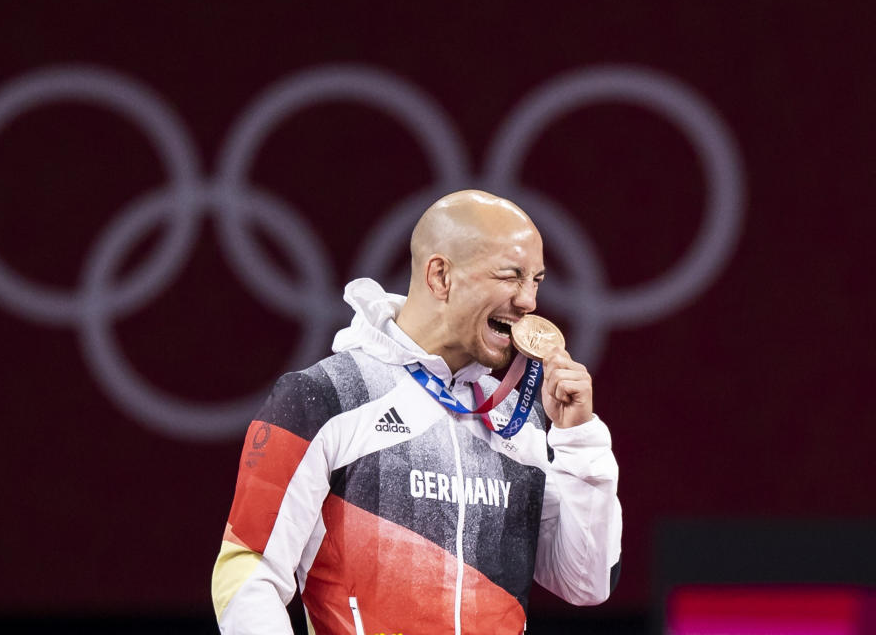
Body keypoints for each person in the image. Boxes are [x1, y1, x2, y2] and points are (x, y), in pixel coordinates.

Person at [211, 190, 622, 634]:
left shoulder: (515, 417)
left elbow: (586, 582)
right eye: (511, 276)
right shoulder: (326, 397)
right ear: (441, 276)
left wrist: (579, 439)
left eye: (536, 281)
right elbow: (248, 569)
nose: (528, 302)